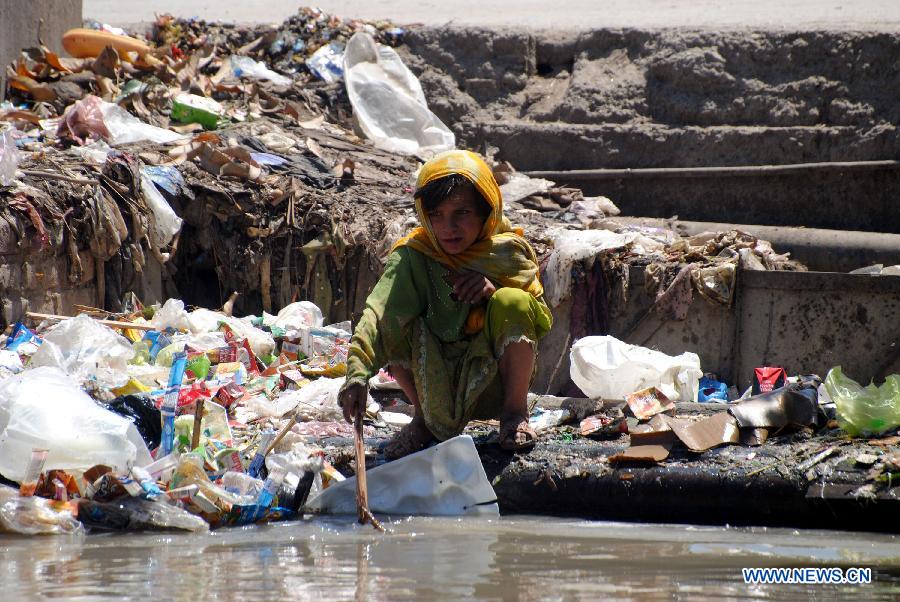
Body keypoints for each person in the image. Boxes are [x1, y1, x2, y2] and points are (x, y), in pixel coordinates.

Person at [338, 150, 552, 459]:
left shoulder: (508, 253)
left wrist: (492, 294)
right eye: (436, 215)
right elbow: (377, 314)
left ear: (486, 211)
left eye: (461, 213)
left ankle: (514, 414)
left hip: (489, 380)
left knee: (514, 301)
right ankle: (424, 420)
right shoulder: (414, 256)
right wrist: (356, 376)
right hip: (430, 378)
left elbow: (539, 318)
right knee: (395, 320)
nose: (447, 227)